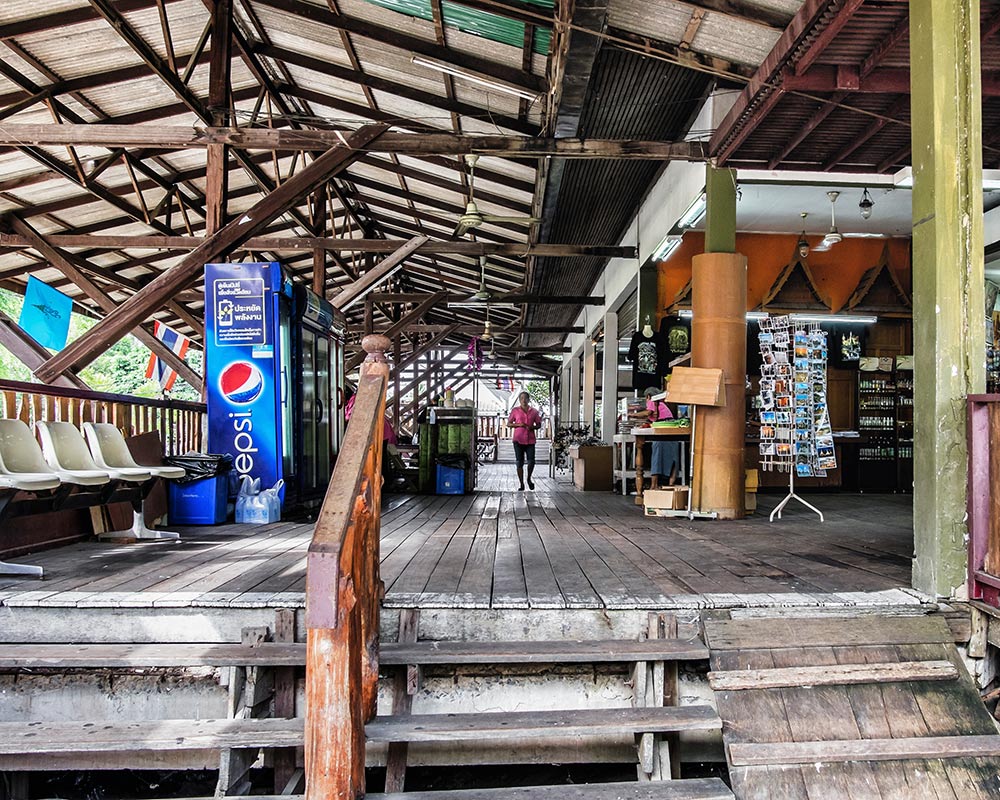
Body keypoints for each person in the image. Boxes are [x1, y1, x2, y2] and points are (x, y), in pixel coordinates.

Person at [637, 386, 680, 490]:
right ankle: (670, 484)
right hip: (671, 430)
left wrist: (632, 414)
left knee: (656, 456)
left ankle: (653, 485)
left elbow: (648, 413)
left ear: (648, 396)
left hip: (662, 431)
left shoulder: (652, 401)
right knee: (674, 458)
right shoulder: (661, 404)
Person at [508, 391, 542, 491]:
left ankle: (528, 479)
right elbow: (509, 424)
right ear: (519, 400)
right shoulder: (515, 410)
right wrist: (519, 425)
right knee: (519, 462)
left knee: (531, 461)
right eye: (522, 398)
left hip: (530, 440)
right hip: (518, 440)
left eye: (525, 398)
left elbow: (539, 424)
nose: (524, 400)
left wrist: (533, 427)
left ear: (528, 399)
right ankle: (521, 483)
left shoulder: (534, 411)